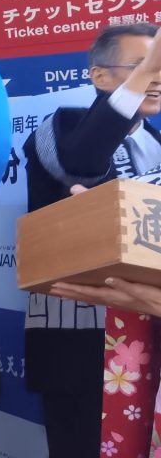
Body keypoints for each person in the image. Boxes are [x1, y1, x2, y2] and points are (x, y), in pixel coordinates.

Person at [23, 23, 161, 457]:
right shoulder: (62, 127)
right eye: (142, 66)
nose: (155, 78)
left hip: (151, 332)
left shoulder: (158, 142)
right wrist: (139, 82)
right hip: (81, 342)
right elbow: (81, 164)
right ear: (99, 75)